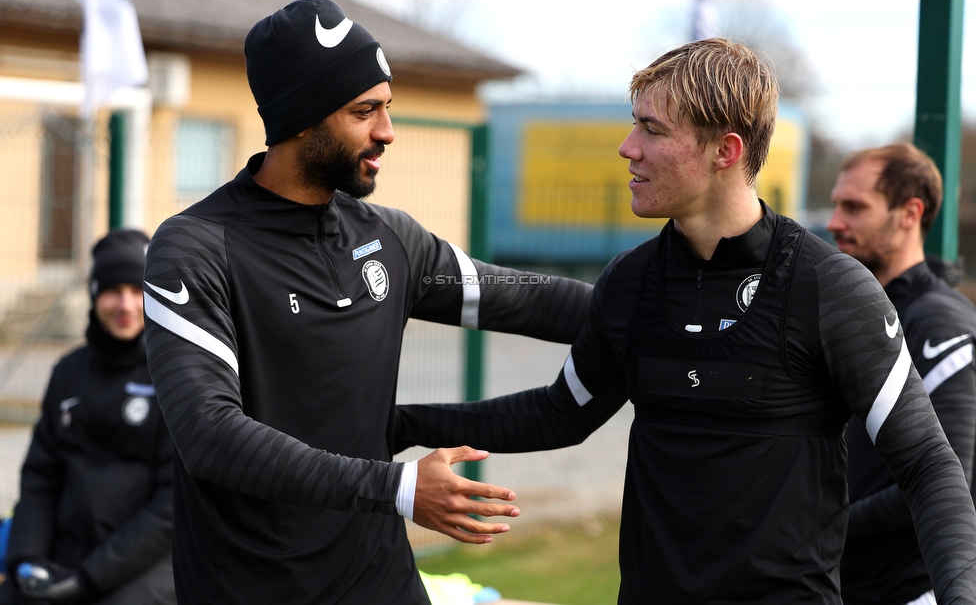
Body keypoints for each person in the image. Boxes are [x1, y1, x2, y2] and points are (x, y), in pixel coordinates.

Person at [394, 38, 976, 604]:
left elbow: (928, 463)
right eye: (633, 124)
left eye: (652, 129)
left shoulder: (829, 288)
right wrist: (398, 423)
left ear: (724, 151)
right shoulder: (629, 283)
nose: (628, 147)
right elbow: (559, 414)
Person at [141, 0, 591, 604]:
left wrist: (663, 306)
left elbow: (528, 299)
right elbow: (210, 435)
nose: (387, 131)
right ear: (300, 117)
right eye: (364, 111)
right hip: (252, 589)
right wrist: (399, 489)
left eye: (387, 107)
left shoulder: (388, 237)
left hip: (383, 584)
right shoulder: (195, 246)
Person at [827, 143, 976, 605]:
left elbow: (948, 479)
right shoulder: (856, 311)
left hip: (910, 590)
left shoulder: (936, 321)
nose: (835, 222)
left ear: (910, 213)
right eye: (835, 205)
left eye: (854, 207)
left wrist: (820, 521)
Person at [1, 229, 175, 605]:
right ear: (95, 294)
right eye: (114, 290)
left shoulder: (173, 376)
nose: (126, 304)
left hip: (144, 565)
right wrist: (26, 559)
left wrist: (88, 579)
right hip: (66, 553)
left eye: (137, 290)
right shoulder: (68, 372)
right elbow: (40, 474)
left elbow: (171, 504)